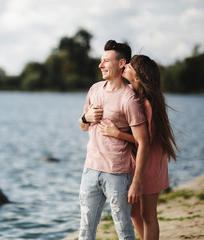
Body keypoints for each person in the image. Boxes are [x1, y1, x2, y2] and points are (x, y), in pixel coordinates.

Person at [98, 54, 178, 240]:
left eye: (129, 67)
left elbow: (145, 141)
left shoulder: (147, 104)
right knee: (134, 212)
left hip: (149, 164)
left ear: (138, 77)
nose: (124, 67)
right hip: (137, 161)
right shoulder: (133, 96)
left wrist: (116, 133)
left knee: (148, 216)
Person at [77, 40, 150, 240]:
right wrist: (86, 118)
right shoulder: (94, 89)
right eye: (101, 60)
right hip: (90, 170)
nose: (100, 65)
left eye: (106, 61)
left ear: (121, 63)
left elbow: (143, 142)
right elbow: (83, 126)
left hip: (118, 174)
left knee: (124, 231)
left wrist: (136, 183)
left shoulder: (129, 99)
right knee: (85, 229)